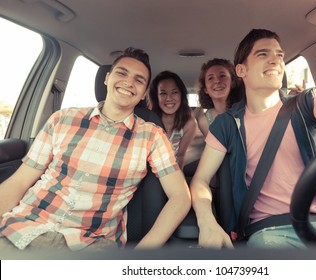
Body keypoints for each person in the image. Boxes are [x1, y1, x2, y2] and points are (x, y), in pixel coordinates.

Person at [190, 28, 316, 249]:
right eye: (263, 54)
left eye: (279, 55)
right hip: (267, 233)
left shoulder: (307, 103)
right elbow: (201, 179)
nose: (275, 60)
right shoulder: (227, 124)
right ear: (241, 70)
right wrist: (207, 222)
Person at [0, 47, 191, 251]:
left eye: (139, 80)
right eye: (122, 73)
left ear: (144, 93)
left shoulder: (152, 136)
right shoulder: (62, 119)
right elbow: (20, 181)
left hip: (89, 242)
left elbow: (180, 197)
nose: (129, 82)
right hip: (22, 226)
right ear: (107, 78)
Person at [148, 70, 197, 169]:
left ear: (181, 95)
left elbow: (180, 156)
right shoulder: (147, 121)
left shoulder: (189, 124)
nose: (169, 98)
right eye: (163, 93)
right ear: (156, 97)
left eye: (174, 92)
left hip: (171, 173)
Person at [195, 58, 242, 137]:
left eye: (222, 76)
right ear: (205, 89)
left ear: (232, 83)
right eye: (210, 78)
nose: (217, 81)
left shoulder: (245, 111)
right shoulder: (204, 121)